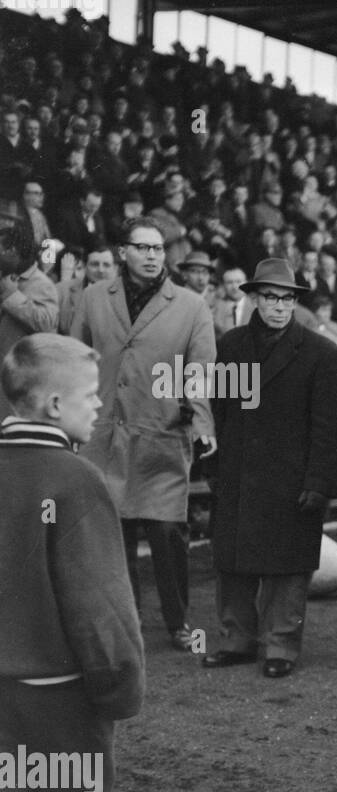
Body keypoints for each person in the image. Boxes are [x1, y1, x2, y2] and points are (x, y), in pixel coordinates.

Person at [0, 334, 145, 792]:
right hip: (55, 695)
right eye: (91, 398)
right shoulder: (75, 480)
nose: (98, 410)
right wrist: (119, 689)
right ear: (55, 403)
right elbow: (100, 609)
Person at [70, 216, 217, 652]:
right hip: (103, 432)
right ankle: (125, 618)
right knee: (114, 532)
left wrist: (201, 423)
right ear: (123, 252)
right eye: (143, 248)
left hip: (161, 430)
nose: (153, 256)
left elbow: (201, 371)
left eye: (158, 249)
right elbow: (77, 357)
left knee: (166, 532)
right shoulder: (95, 296)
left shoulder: (191, 305)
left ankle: (178, 622)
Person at [202, 258, 337, 678]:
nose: (280, 306)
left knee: (288, 568)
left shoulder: (322, 353)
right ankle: (237, 640)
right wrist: (214, 466)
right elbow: (222, 409)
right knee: (232, 562)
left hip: (292, 479)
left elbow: (331, 429)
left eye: (287, 298)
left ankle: (280, 646)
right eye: (270, 297)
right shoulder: (232, 345)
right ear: (253, 299)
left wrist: (319, 483)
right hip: (240, 472)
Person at [0, 218, 57, 366]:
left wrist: (12, 297)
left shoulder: (43, 284)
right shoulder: (4, 276)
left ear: (12, 251)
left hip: (21, 373)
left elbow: (46, 324)